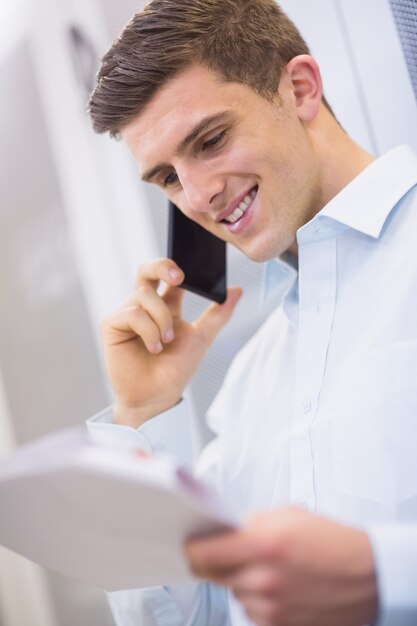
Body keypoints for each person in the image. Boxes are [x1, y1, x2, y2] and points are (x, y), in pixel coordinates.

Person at [87, 1, 417, 624]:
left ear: (299, 89)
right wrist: (140, 414)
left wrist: (384, 572)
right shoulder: (248, 388)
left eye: (210, 141)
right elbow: (187, 617)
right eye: (167, 178)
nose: (199, 196)